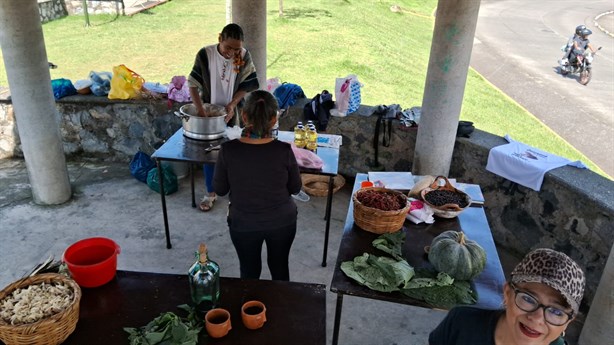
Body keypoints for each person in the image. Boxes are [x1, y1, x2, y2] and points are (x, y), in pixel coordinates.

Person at [213, 90, 302, 281]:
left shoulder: (228, 150)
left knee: (249, 272)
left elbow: (220, 190)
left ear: (244, 116)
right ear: (274, 119)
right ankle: (280, 309)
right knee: (279, 269)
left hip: (243, 223)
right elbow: (295, 188)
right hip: (282, 222)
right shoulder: (284, 150)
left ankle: (251, 310)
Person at [429, 248, 585, 345]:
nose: (537, 318)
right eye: (529, 299)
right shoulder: (461, 323)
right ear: (508, 293)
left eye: (556, 312)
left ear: (568, 322)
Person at [188, 23, 259, 212]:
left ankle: (236, 195)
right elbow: (193, 84)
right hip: (209, 112)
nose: (231, 53)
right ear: (220, 38)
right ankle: (211, 193)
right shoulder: (205, 54)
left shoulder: (243, 55)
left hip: (234, 111)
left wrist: (232, 104)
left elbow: (248, 84)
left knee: (236, 152)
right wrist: (202, 113)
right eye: (228, 47)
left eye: (236, 49)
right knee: (210, 152)